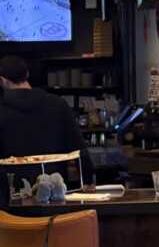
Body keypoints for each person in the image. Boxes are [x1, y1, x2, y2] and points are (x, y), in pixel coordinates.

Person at [0, 54, 94, 201]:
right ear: (27, 74)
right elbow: (79, 148)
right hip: (56, 193)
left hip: (11, 196)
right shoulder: (58, 104)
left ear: (2, 81)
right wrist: (88, 181)